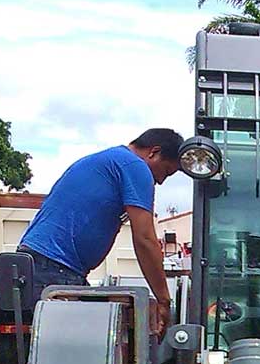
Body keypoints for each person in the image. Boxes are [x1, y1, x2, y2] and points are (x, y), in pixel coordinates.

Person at [18, 129, 184, 335]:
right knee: (67, 354)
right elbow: (144, 239)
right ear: (153, 152)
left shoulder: (109, 160)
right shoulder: (135, 167)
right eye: (166, 172)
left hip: (44, 265)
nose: (160, 181)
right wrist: (163, 300)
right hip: (54, 268)